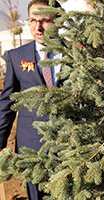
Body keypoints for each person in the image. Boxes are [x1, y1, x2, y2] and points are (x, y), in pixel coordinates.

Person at [0, 0, 62, 199]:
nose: (38, 27)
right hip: (32, 148)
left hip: (68, 145)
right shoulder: (16, 57)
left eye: (44, 20)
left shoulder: (74, 56)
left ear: (58, 20)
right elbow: (7, 104)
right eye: (33, 20)